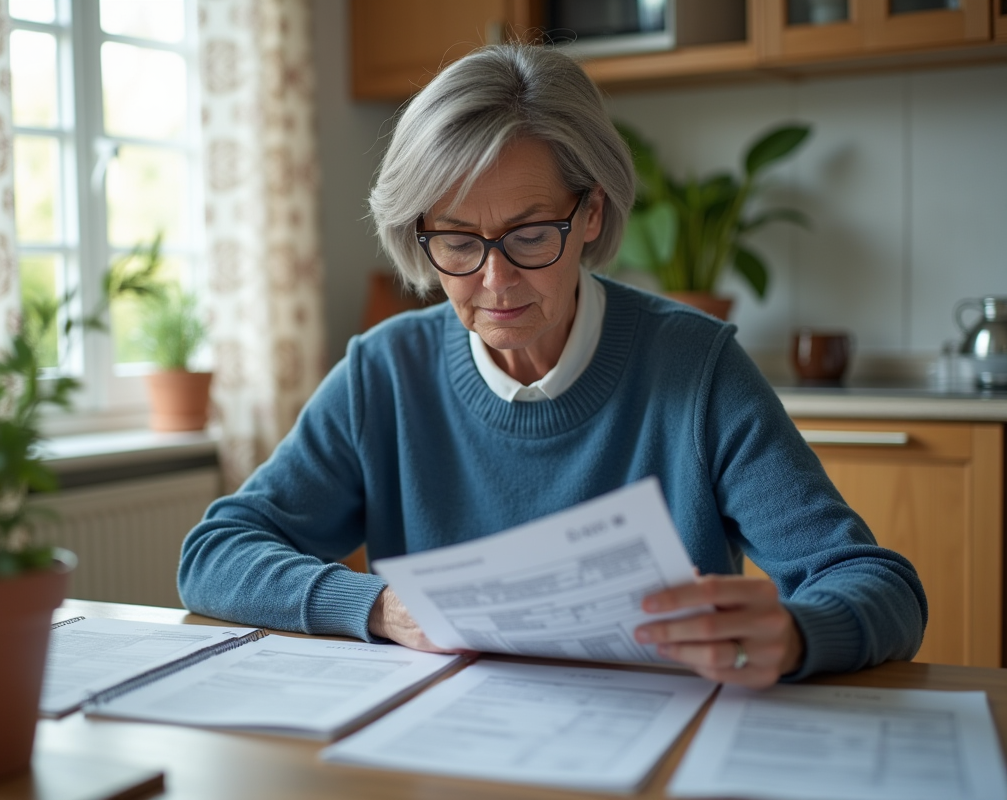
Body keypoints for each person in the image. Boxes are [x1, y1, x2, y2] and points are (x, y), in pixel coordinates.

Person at [178, 43, 926, 688]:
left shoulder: (696, 371)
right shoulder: (385, 373)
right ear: (419, 235)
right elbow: (214, 555)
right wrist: (378, 606)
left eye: (531, 234)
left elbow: (882, 587)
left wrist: (797, 633)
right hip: (449, 753)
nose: (496, 282)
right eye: (459, 242)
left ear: (591, 214)